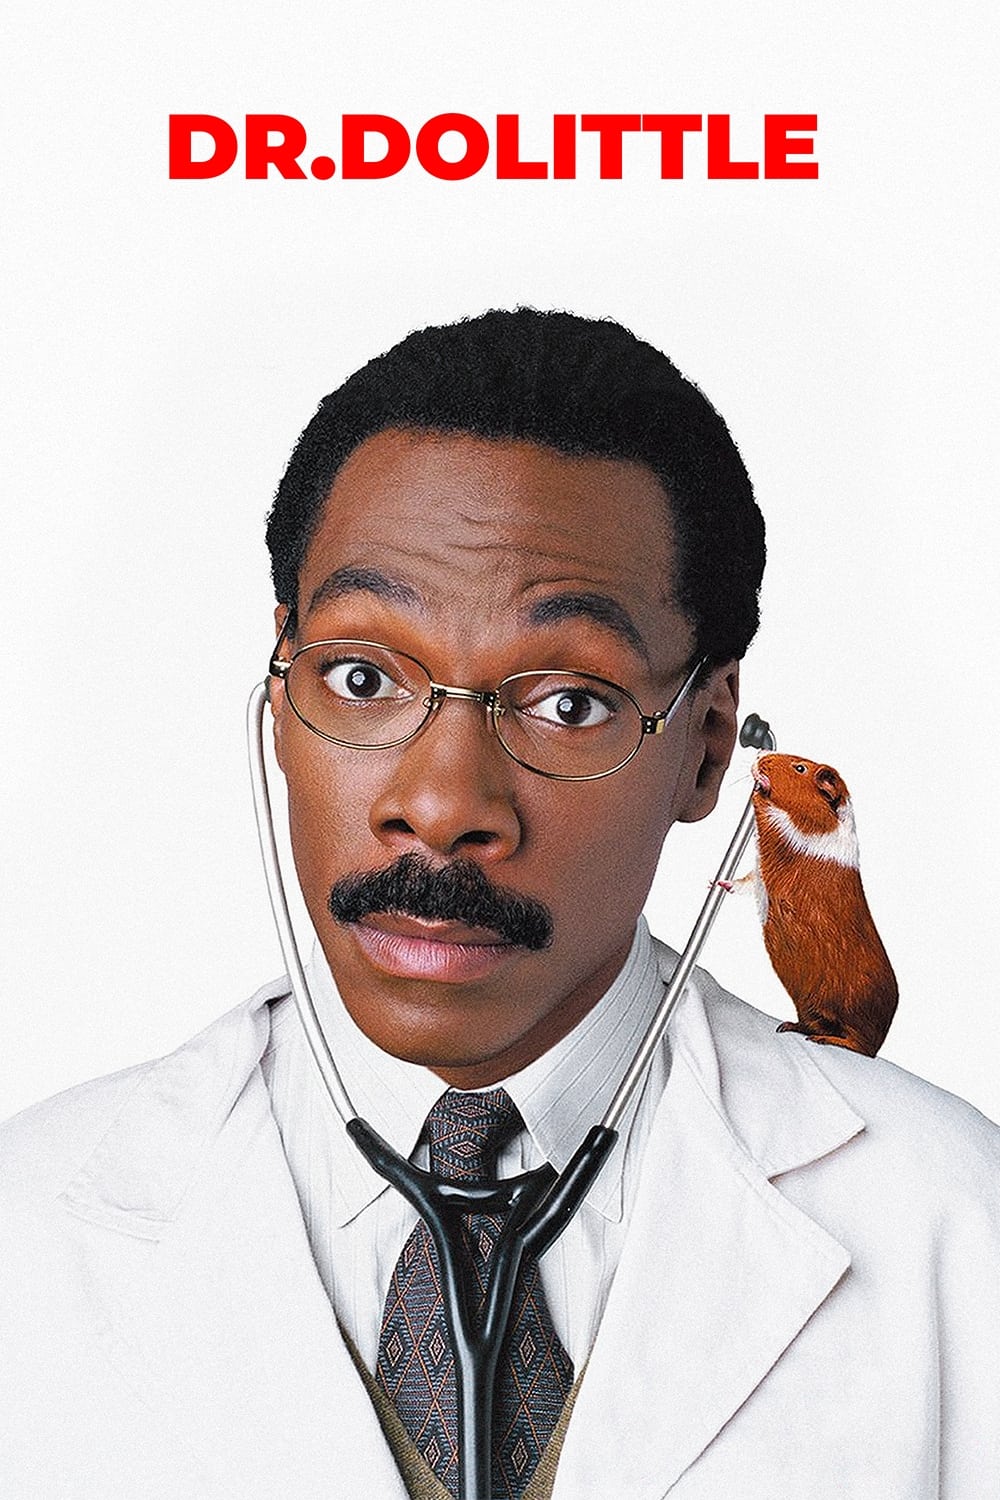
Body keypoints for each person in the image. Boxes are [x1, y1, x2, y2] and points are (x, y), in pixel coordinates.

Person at [1, 308, 997, 1500]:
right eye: (361, 677)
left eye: (568, 703)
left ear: (705, 746)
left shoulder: (954, 1227)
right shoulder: (30, 1230)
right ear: (278, 695)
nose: (440, 807)